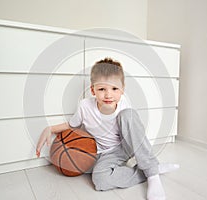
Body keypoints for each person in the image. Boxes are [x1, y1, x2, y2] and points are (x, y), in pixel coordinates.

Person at [36, 58, 179, 200]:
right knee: (99, 180)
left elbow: (135, 133)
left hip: (123, 147)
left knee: (128, 115)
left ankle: (152, 174)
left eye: (114, 89)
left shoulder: (124, 106)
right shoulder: (84, 106)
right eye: (102, 89)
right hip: (100, 152)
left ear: (122, 89)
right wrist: (50, 129)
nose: (108, 95)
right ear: (93, 90)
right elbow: (71, 125)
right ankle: (150, 170)